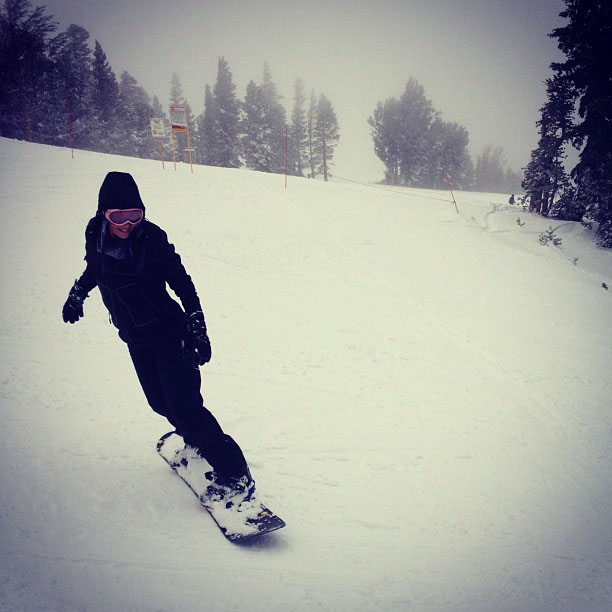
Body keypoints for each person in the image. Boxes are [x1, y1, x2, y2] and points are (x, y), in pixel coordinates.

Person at [62, 171, 254, 506]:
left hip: (169, 334)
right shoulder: (95, 236)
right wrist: (77, 294)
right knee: (159, 402)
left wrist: (197, 325)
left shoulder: (151, 240)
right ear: (103, 214)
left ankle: (235, 474)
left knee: (186, 407)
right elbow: (96, 268)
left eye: (135, 215)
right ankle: (195, 443)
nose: (127, 224)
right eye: (118, 216)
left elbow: (182, 283)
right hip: (135, 337)